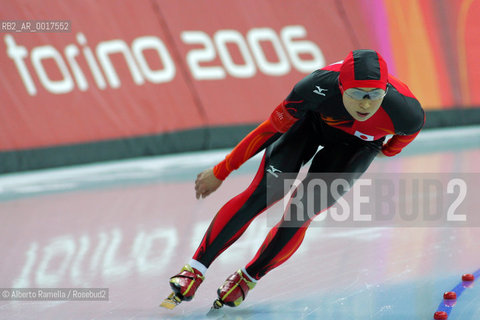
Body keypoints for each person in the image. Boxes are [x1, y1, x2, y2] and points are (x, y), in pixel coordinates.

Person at [160, 49, 425, 310]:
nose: (366, 104)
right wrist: (221, 170)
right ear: (341, 87)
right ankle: (195, 269)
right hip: (310, 125)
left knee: (301, 211)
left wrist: (374, 147)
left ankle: (249, 277)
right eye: (356, 95)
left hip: (355, 147)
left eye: (375, 95)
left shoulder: (408, 113)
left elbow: (390, 149)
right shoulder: (314, 86)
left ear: (386, 91)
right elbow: (270, 129)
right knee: (264, 193)